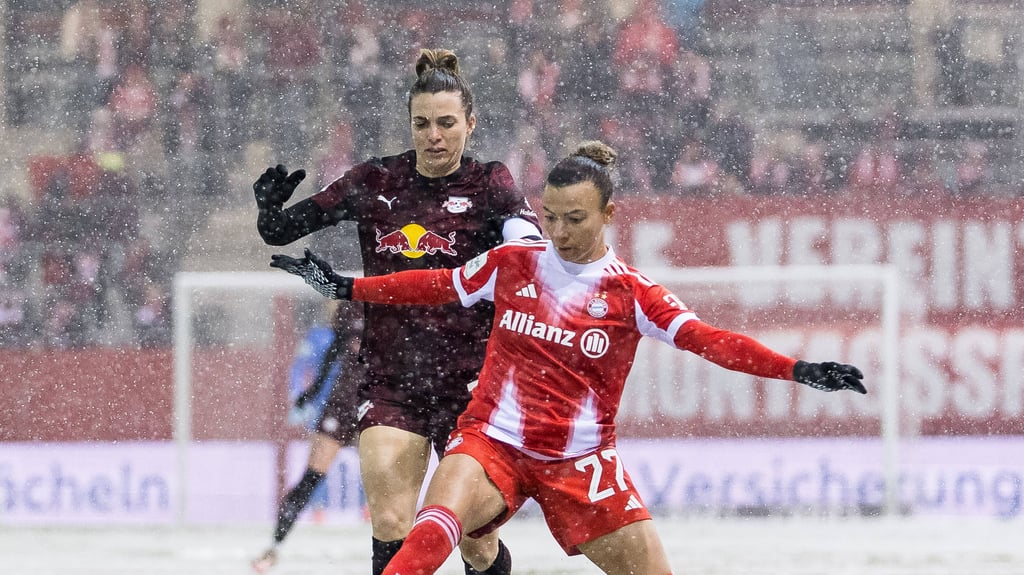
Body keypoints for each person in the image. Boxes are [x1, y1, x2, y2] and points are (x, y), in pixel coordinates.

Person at [269, 141, 867, 575]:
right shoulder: (515, 263)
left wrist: (796, 369)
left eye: (576, 219)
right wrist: (346, 286)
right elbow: (435, 283)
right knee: (428, 534)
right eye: (551, 216)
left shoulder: (633, 294)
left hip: (580, 465)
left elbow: (710, 341)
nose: (559, 231)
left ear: (609, 214)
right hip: (491, 445)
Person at [252, 48, 540, 575]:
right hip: (391, 382)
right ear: (409, 123)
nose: (434, 135)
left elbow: (529, 244)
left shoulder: (491, 181)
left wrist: (521, 242)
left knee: (475, 542)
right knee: (389, 523)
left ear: (470, 125)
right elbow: (282, 231)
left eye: (447, 123)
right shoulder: (374, 181)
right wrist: (269, 212)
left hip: (470, 389)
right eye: (423, 123)